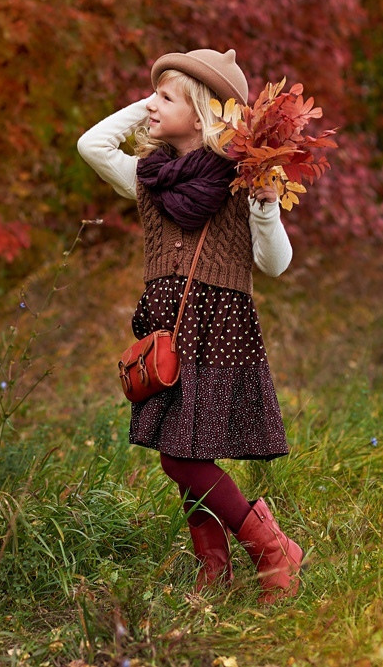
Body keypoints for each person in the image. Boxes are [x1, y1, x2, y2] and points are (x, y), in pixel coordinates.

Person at [77, 48, 303, 602]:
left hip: (220, 328)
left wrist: (267, 206)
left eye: (164, 98)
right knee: (183, 449)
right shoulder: (147, 177)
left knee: (181, 455)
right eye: (151, 96)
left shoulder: (241, 182)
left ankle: (271, 548)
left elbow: (275, 264)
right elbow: (92, 145)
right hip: (166, 332)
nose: (151, 105)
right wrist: (157, 98)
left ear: (201, 115)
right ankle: (214, 568)